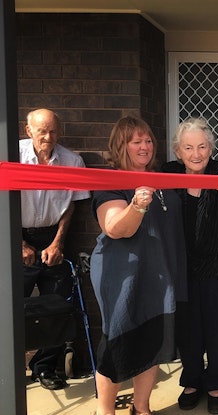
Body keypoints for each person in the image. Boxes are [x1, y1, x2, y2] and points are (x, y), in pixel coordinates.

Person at [90, 115, 187, 415]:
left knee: (152, 340)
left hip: (159, 273)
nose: (144, 146)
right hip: (123, 275)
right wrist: (137, 205)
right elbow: (115, 228)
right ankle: (105, 411)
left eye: (148, 140)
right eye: (136, 142)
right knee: (118, 341)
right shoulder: (111, 181)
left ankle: (141, 407)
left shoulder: (163, 178)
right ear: (121, 146)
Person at [162, 118, 218, 414]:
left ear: (211, 148)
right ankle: (193, 380)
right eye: (188, 148)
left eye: (202, 147)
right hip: (183, 267)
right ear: (178, 151)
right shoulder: (168, 173)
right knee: (189, 327)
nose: (196, 154)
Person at [20, 108, 90, 390]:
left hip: (54, 237)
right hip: (18, 234)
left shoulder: (72, 161)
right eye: (42, 131)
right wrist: (19, 243)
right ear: (28, 130)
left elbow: (71, 205)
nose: (48, 137)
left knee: (59, 306)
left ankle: (45, 368)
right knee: (10, 306)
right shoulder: (12, 155)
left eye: (53, 131)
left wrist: (57, 242)